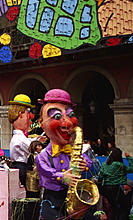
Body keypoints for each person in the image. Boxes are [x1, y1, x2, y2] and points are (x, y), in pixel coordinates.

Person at [35, 89, 94, 220]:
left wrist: (86, 164)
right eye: (57, 116)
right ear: (41, 123)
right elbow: (44, 169)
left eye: (70, 115)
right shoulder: (43, 155)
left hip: (74, 196)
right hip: (52, 199)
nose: (67, 123)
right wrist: (62, 176)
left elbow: (89, 163)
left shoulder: (74, 150)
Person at [8, 94, 45, 187]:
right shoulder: (19, 139)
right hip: (22, 168)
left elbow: (28, 141)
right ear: (20, 114)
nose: (31, 117)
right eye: (28, 112)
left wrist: (36, 139)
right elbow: (33, 149)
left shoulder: (21, 137)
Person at [98, 147, 133, 220]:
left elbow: (100, 177)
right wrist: (129, 158)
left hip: (105, 188)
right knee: (123, 207)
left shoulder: (104, 164)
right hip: (115, 189)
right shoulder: (119, 165)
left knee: (112, 207)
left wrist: (100, 188)